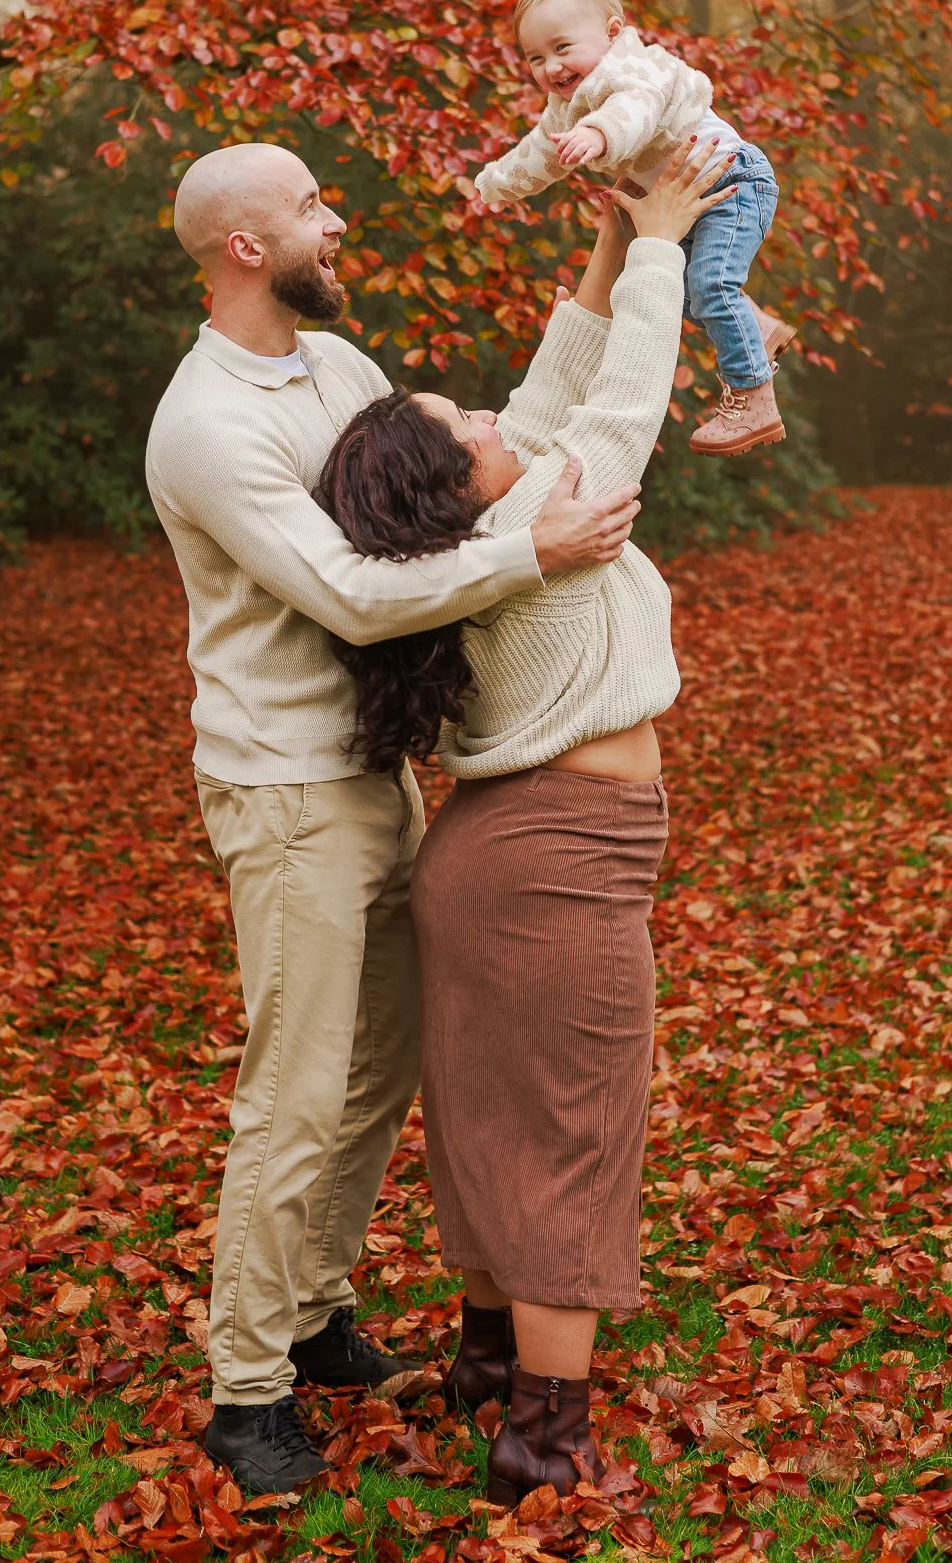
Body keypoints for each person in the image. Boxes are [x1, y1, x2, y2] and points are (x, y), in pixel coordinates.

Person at [144, 143, 645, 1497]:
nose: (335, 218)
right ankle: (245, 1394)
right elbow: (353, 593)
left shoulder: (342, 373)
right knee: (295, 1094)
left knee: (375, 1079)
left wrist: (605, 266)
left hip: (372, 773)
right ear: (246, 246)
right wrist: (531, 552)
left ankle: (312, 1321)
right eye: (310, 206)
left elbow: (439, 496)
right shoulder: (207, 424)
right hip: (283, 789)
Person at [315, 138, 729, 1505]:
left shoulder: (478, 532)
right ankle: (542, 1446)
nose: (497, 418)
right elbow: (623, 395)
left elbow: (559, 373)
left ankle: (491, 1364)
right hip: (554, 860)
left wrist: (610, 239)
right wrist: (667, 238)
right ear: (464, 486)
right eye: (470, 427)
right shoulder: (553, 515)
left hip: (507, 855)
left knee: (494, 1120)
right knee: (569, 1132)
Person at [474, 0, 792, 458]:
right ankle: (758, 327)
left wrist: (598, 134)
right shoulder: (569, 105)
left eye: (561, 48)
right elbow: (541, 149)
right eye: (534, 58)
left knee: (711, 286)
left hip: (732, 179)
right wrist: (498, 182)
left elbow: (635, 111)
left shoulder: (639, 67)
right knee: (677, 292)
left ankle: (753, 395)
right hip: (688, 193)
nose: (550, 67)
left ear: (612, 32)